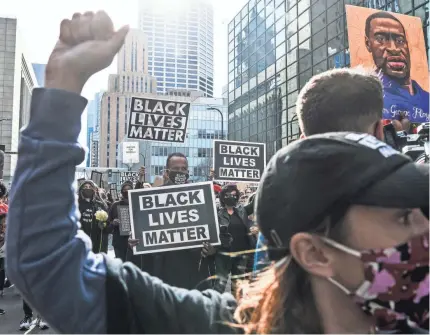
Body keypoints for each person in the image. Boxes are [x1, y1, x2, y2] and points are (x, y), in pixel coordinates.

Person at [6, 11, 429, 334]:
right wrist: (61, 91)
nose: (424, 229)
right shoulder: (225, 325)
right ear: (315, 253)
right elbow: (49, 267)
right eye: (403, 216)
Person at [253, 66, 388, 270]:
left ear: (303, 142)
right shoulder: (412, 199)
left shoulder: (278, 209)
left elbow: (263, 281)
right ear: (380, 130)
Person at [129, 155, 215, 290]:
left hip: (193, 274)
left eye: (184, 169)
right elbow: (142, 233)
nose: (180, 172)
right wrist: (135, 240)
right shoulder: (152, 198)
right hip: (162, 274)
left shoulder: (201, 196)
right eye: (176, 168)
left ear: (188, 172)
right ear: (167, 172)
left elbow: (211, 234)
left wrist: (212, 248)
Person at [365, 11, 429, 124]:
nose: (394, 49)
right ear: (368, 44)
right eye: (380, 39)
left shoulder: (427, 98)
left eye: (399, 41)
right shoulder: (368, 100)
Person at [213, 184, 257, 293]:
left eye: (234, 195)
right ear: (223, 197)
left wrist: (262, 185)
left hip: (241, 254)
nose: (231, 197)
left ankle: (235, 308)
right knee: (219, 285)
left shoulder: (242, 210)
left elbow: (255, 203)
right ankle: (216, 307)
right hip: (224, 255)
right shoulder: (217, 213)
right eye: (228, 195)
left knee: (238, 287)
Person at [78, 180, 110, 253]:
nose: (88, 189)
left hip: (97, 242)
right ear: (81, 190)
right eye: (85, 187)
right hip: (82, 241)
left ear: (94, 190)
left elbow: (108, 222)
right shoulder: (77, 205)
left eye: (90, 187)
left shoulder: (100, 205)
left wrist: (103, 225)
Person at [108, 181, 133, 262]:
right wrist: (113, 223)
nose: (126, 191)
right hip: (119, 242)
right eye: (124, 190)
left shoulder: (136, 204)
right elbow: (107, 225)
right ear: (121, 191)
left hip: (133, 242)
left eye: (129, 189)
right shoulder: (115, 205)